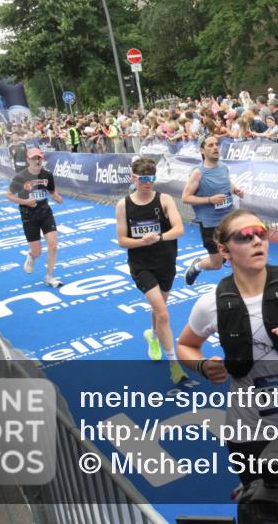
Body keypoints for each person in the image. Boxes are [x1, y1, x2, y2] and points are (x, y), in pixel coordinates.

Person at [176, 209, 278, 486]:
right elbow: (186, 346)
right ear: (224, 250)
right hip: (249, 432)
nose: (257, 241)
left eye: (261, 233)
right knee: (265, 504)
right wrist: (203, 366)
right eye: (244, 236)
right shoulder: (211, 303)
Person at [115, 157, 187, 385]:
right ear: (133, 178)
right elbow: (122, 240)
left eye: (151, 178)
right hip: (141, 264)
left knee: (159, 308)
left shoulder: (164, 199)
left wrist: (159, 237)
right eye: (143, 179)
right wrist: (142, 243)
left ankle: (153, 336)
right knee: (163, 313)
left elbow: (179, 228)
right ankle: (174, 365)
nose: (148, 183)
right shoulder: (123, 205)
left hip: (166, 261)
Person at [182, 135, 245, 285]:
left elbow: (225, 181)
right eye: (210, 145)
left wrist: (235, 190)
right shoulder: (198, 172)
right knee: (217, 264)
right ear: (202, 150)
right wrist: (210, 200)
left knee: (238, 253)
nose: (215, 147)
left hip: (229, 221)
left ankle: (243, 287)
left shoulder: (223, 167)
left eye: (216, 144)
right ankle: (197, 265)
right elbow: (185, 198)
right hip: (210, 225)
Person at [6, 148, 64, 287]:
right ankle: (31, 256)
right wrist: (26, 202)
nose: (37, 161)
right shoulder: (20, 177)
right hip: (29, 217)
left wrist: (57, 197)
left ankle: (49, 276)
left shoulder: (47, 175)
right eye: (33, 158)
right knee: (37, 251)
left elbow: (51, 191)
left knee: (53, 245)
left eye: (39, 158)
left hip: (45, 214)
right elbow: (8, 194)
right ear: (28, 160)